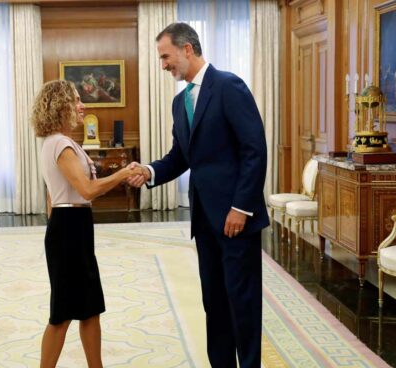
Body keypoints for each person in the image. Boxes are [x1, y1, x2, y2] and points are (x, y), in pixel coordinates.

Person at [127, 23, 268, 368]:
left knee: (242, 303)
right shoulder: (180, 103)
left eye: (165, 56)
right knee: (214, 304)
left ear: (187, 48)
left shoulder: (229, 86)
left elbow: (255, 150)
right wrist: (150, 171)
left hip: (236, 220)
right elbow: (181, 156)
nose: (163, 64)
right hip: (204, 221)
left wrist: (241, 207)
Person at [30, 79, 139, 368]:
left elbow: (52, 199)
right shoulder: (60, 144)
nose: (82, 106)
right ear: (60, 106)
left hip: (73, 227)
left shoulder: (61, 143)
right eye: (76, 100)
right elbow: (88, 190)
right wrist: (123, 173)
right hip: (69, 230)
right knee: (62, 314)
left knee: (90, 308)